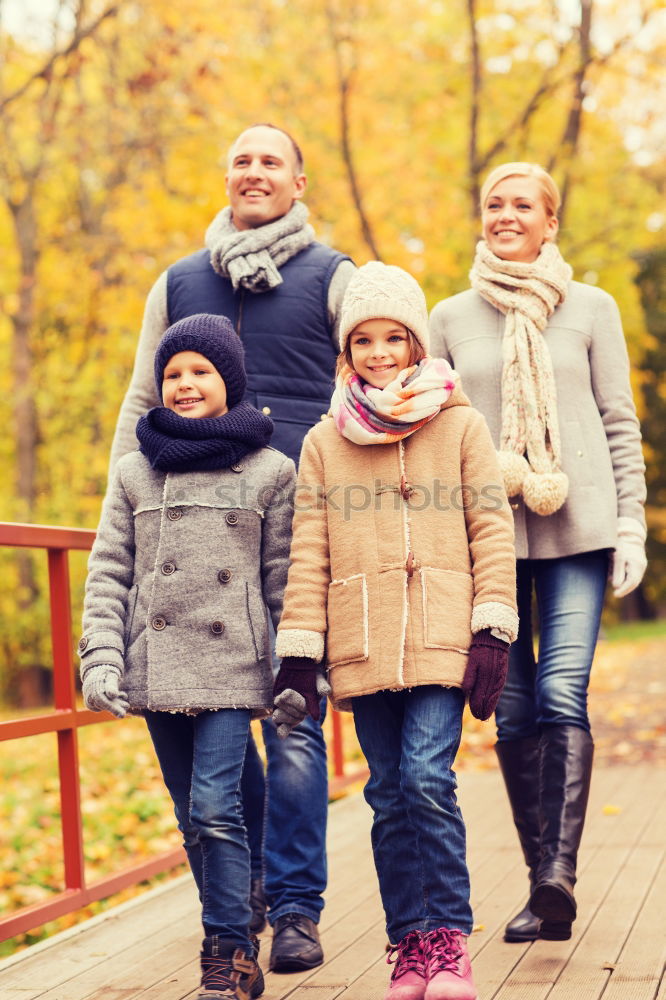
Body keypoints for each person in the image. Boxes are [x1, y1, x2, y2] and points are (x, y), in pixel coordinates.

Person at [108, 123, 356, 971]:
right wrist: (126, 498)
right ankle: (243, 886)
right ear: (228, 177)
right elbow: (143, 396)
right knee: (219, 746)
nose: (255, 173)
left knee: (291, 723)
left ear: (298, 179)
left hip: (299, 518)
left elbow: (367, 384)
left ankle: (294, 908)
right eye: (242, 160)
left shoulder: (333, 275)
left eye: (270, 161)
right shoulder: (179, 281)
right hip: (189, 514)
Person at [272, 262, 519, 1000]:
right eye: (365, 340)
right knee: (387, 792)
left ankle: (448, 938)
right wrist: (297, 656)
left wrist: (493, 630)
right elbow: (308, 551)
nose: (380, 353)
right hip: (363, 639)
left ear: (416, 344)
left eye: (395, 339)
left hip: (445, 633)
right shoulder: (323, 443)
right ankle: (408, 943)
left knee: (425, 779)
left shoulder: (462, 425)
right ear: (347, 351)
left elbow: (492, 529)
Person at [429, 162, 647, 944]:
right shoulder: (448, 317)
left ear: (550, 221)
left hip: (578, 527)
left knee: (561, 691)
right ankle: (539, 885)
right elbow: (428, 431)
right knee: (511, 705)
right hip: (485, 537)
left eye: (523, 205)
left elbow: (619, 421)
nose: (507, 215)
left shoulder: (592, 308)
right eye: (495, 203)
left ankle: (560, 873)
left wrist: (630, 525)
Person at [79, 313, 296, 1000]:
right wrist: (101, 659)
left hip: (234, 666)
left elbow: (284, 578)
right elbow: (109, 572)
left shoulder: (270, 471)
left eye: (200, 371)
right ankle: (239, 911)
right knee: (190, 814)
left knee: (213, 808)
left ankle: (229, 953)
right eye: (172, 374)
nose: (184, 384)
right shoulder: (135, 473)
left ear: (228, 381)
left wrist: (297, 668)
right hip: (156, 663)